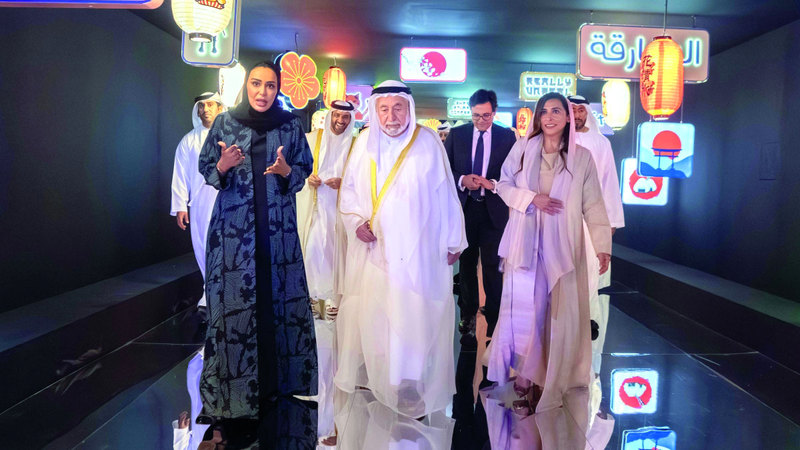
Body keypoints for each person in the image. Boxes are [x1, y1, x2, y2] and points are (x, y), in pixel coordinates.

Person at [335, 80, 467, 419]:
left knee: (414, 313)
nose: (391, 116)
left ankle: (410, 380)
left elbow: (446, 194)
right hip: (376, 249)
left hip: (419, 249)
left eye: (398, 108)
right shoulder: (364, 142)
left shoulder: (428, 142)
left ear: (409, 108)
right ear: (375, 111)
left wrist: (454, 238)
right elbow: (348, 193)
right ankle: (382, 378)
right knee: (377, 314)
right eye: (384, 109)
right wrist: (356, 222)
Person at [487, 92, 611, 448]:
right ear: (538, 118)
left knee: (553, 315)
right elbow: (503, 185)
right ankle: (525, 378)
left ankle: (549, 376)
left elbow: (593, 203)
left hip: (562, 248)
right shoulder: (523, 149)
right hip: (526, 246)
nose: (550, 117)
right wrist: (532, 199)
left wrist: (602, 245)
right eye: (545, 112)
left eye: (557, 111)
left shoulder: (582, 158)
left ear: (569, 117)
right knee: (528, 313)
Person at [197, 61, 317, 420]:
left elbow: (304, 168)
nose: (262, 92)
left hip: (278, 232)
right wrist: (223, 165)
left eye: (270, 85)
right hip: (233, 234)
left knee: (276, 299)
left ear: (277, 89)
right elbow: (206, 168)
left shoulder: (290, 125)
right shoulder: (225, 123)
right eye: (256, 84)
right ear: (247, 86)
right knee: (235, 303)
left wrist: (286, 171)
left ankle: (278, 384)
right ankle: (234, 389)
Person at [295, 100, 356, 444]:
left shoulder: (358, 146)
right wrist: (311, 179)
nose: (340, 121)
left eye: (346, 117)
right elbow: (297, 172)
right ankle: (314, 306)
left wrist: (343, 183)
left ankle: (335, 307)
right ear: (330, 116)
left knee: (337, 265)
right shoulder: (311, 139)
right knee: (313, 259)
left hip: (342, 222)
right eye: (337, 116)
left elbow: (364, 183)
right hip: (316, 214)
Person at [444, 89, 516, 345]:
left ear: (494, 113)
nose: (481, 121)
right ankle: (467, 314)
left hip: (493, 210)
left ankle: (495, 317)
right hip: (465, 210)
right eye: (476, 116)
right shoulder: (457, 135)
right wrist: (462, 180)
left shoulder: (507, 137)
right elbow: (444, 170)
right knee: (466, 264)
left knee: (492, 266)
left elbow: (514, 174)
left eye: (486, 116)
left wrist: (492, 183)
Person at [170, 92, 225, 309]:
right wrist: (180, 205)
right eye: (202, 106)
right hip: (199, 204)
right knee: (202, 245)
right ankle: (208, 291)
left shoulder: (229, 136)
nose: (205, 110)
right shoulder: (189, 140)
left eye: (210, 105)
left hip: (225, 200)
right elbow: (180, 174)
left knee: (223, 246)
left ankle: (223, 293)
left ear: (220, 108)